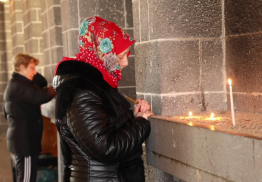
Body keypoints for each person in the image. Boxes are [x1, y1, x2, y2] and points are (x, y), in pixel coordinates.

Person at [53, 16, 154, 182]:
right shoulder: (82, 92)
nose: (126, 62)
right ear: (100, 53)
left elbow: (106, 127)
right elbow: (106, 148)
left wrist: (132, 117)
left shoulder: (96, 85)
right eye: (121, 56)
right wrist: (140, 123)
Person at [3, 53, 57, 182]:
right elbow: (41, 96)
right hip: (24, 142)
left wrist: (32, 71)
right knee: (26, 178)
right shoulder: (20, 85)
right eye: (32, 68)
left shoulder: (15, 83)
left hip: (21, 139)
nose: (34, 71)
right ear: (21, 67)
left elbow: (41, 82)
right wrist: (57, 87)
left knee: (26, 177)